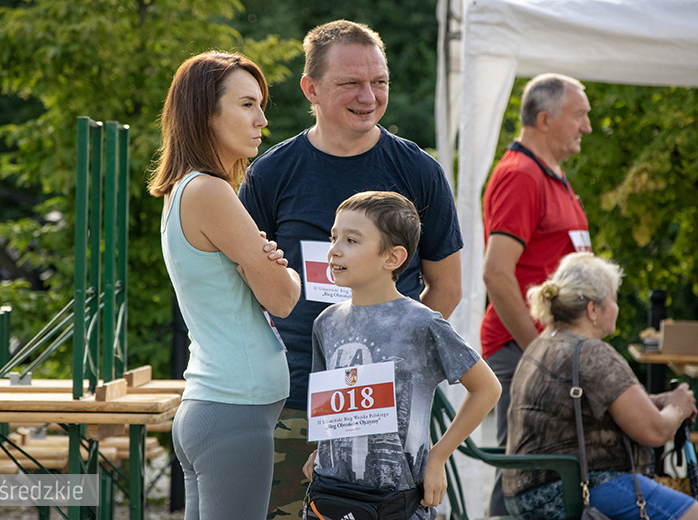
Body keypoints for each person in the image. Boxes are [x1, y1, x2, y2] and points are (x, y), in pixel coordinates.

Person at [238, 20, 464, 518]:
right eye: (351, 83)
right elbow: (243, 289)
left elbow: (446, 288)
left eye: (379, 82)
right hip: (292, 398)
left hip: (386, 405)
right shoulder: (270, 174)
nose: (369, 95)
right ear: (310, 89)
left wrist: (395, 366)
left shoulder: (419, 172)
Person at [147, 51, 302, 520]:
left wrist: (273, 265)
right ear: (206, 115)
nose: (263, 119)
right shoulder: (210, 193)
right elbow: (283, 298)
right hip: (233, 410)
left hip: (219, 408)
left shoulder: (188, 189)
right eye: (247, 105)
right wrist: (284, 270)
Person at [302, 191, 500, 518]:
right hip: (329, 495)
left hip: (399, 501)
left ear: (392, 258)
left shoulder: (421, 322)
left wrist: (438, 457)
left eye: (351, 240)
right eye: (333, 237)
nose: (334, 250)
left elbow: (487, 388)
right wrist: (321, 451)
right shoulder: (326, 323)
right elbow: (331, 402)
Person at [504, 252, 698, 519]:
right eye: (613, 299)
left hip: (530, 493)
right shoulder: (591, 353)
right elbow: (655, 431)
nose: (616, 307)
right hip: (575, 491)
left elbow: (598, 409)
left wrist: (656, 401)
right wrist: (679, 405)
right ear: (593, 310)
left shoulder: (544, 344)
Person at [481, 72, 593, 515]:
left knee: (542, 474)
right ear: (545, 120)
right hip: (523, 351)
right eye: (580, 115)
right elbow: (496, 274)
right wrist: (539, 351)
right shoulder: (521, 175)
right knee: (523, 475)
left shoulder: (553, 175)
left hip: (552, 351)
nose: (587, 126)